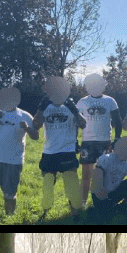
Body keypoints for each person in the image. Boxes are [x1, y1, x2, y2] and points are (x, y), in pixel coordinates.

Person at [0, 86, 37, 218]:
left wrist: (27, 128)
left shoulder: (25, 115)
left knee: (10, 195)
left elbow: (35, 136)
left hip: (13, 162)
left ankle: (9, 219)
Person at [34, 77, 87, 218]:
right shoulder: (45, 107)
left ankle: (75, 212)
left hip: (67, 151)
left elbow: (83, 124)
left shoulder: (70, 106)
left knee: (71, 184)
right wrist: (40, 109)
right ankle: (45, 211)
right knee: (48, 184)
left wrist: (75, 110)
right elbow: (35, 125)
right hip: (49, 151)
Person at [76, 74, 120, 206]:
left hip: (105, 142)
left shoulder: (110, 101)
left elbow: (117, 121)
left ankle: (104, 202)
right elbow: (76, 122)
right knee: (86, 175)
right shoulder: (82, 102)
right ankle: (82, 203)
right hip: (87, 142)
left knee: (105, 174)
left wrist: (117, 139)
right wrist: (74, 142)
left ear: (103, 85)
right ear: (87, 87)